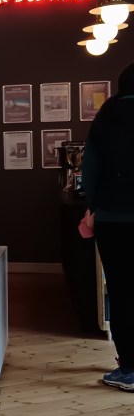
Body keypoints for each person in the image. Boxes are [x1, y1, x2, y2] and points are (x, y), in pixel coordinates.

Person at [81, 62, 134, 391]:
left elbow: (90, 167)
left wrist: (92, 207)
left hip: (114, 217)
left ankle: (129, 367)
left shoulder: (107, 116)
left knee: (122, 290)